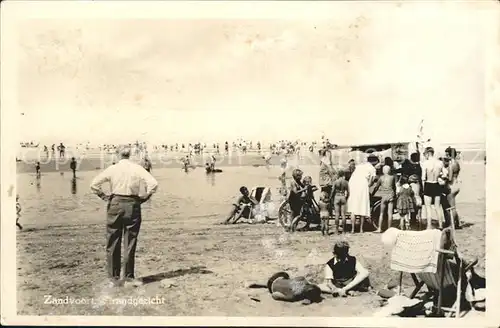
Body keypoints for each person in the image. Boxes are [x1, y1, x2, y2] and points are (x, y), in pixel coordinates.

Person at [90, 146, 158, 287]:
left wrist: (104, 196)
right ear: (130, 155)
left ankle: (113, 278)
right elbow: (153, 184)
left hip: (115, 203)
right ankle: (128, 277)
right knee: (130, 240)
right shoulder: (137, 168)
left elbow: (94, 185)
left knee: (113, 239)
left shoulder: (112, 168)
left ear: (118, 155)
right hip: (132, 203)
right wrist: (145, 197)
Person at [347, 155, 379, 233]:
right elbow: (371, 182)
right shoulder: (372, 168)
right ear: (374, 162)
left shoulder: (360, 165)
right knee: (362, 206)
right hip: (362, 183)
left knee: (353, 208)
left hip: (352, 183)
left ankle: (353, 229)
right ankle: (361, 229)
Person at [421, 147, 445, 229]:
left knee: (428, 208)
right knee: (437, 207)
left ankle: (429, 225)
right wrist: (440, 176)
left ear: (427, 154)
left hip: (428, 184)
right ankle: (441, 225)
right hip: (436, 184)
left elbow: (423, 177)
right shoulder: (440, 162)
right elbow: (445, 174)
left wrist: (423, 189)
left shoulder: (425, 163)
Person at [373, 165, 396, 233]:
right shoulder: (392, 177)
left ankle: (379, 228)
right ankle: (389, 229)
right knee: (390, 213)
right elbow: (394, 187)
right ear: (389, 170)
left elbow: (376, 187)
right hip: (390, 195)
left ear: (383, 171)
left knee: (381, 213)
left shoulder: (381, 178)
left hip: (384, 196)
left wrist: (373, 193)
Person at [445, 147, 462, 229]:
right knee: (453, 205)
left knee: (452, 207)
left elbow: (450, 178)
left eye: (446, 154)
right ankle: (457, 223)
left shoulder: (451, 164)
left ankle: (452, 224)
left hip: (452, 185)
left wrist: (443, 177)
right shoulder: (457, 163)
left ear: (449, 154)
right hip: (456, 184)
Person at [332, 170, 349, 234]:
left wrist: (331, 198)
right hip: (343, 196)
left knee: (337, 214)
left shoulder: (335, 182)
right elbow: (348, 192)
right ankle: (344, 230)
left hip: (337, 196)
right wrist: (346, 198)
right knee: (343, 215)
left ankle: (336, 230)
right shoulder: (345, 182)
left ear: (338, 174)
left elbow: (333, 191)